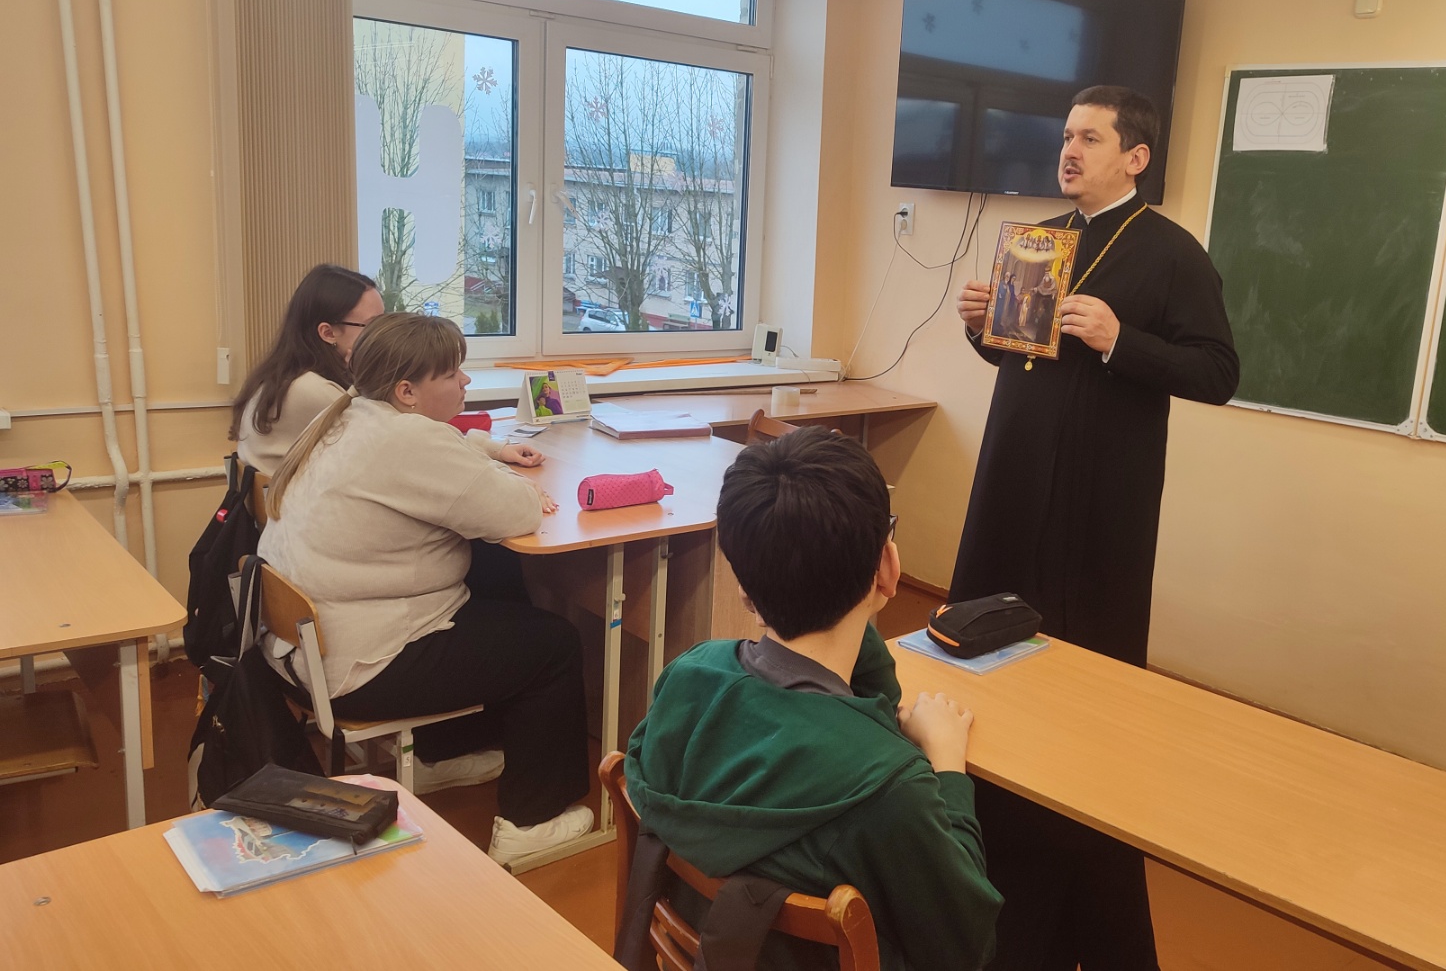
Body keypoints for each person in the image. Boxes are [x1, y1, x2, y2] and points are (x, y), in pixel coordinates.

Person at [952, 86, 1240, 969]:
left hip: (1100, 498)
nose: (1069, 150)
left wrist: (1120, 339)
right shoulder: (1038, 239)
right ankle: (983, 806)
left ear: (1134, 157)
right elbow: (1017, 352)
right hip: (1014, 477)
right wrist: (982, 329)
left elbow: (1218, 372)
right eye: (1067, 136)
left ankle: (1068, 823)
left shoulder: (1172, 253)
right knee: (988, 644)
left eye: (1090, 137)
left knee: (1083, 674)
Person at [626, 427, 1002, 970]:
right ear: (888, 570)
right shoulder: (889, 790)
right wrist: (948, 767)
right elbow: (966, 946)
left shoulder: (687, 675)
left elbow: (864, 705)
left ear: (745, 592)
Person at [259, 312, 593, 866]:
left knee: (494, 573)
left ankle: (444, 751)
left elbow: (446, 456)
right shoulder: (406, 439)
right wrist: (517, 485)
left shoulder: (352, 415)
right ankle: (531, 821)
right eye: (452, 373)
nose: (465, 381)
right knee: (552, 644)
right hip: (361, 667)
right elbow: (515, 512)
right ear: (407, 391)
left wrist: (489, 458)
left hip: (303, 652)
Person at [228, 264, 385, 474]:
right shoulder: (311, 390)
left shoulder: (283, 377)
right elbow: (385, 446)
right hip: (291, 495)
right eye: (373, 325)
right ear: (328, 333)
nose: (382, 334)